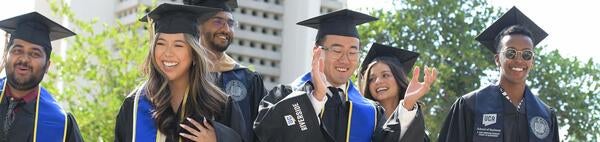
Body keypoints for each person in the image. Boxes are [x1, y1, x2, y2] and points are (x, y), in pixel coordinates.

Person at [113, 3, 246, 142]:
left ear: (195, 54)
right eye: (161, 43)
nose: (168, 53)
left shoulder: (220, 106)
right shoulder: (135, 105)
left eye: (178, 45)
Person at [438, 6, 559, 142]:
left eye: (526, 54)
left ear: (532, 61)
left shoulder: (546, 115)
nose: (519, 60)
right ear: (497, 59)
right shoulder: (470, 105)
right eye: (510, 53)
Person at [183, 1, 267, 140]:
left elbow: (261, 134)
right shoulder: (185, 73)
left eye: (231, 24)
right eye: (218, 22)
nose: (226, 29)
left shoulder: (248, 79)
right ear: (199, 26)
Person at [0, 12, 83, 142]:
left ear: (47, 66)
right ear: (6, 56)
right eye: (17, 50)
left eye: (35, 54)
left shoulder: (62, 124)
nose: (24, 59)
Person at [358, 43, 436, 142]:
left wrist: (408, 104)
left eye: (385, 75)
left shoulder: (418, 131)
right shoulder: (360, 123)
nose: (378, 81)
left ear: (398, 79)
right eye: (371, 79)